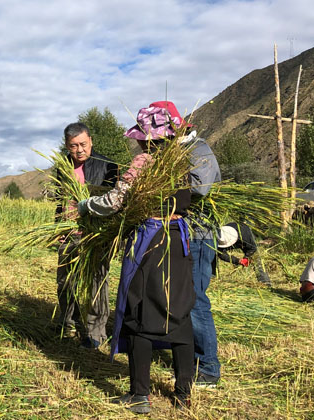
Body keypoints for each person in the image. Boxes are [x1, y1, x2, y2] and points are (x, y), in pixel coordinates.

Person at [78, 104, 195, 413]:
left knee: (140, 312)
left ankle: (140, 395)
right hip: (178, 241)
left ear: (146, 138)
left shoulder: (144, 161)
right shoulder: (181, 162)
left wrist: (87, 206)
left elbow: (115, 201)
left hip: (152, 242)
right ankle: (183, 393)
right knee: (178, 311)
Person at [152, 100, 223, 390]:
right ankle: (179, 347)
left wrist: (160, 183)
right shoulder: (175, 152)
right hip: (180, 234)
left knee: (194, 300)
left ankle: (207, 367)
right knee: (176, 296)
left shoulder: (198, 150)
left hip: (198, 235)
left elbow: (199, 188)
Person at [55, 123, 118, 348]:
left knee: (97, 282)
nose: (80, 149)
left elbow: (114, 202)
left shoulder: (107, 166)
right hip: (69, 232)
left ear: (91, 141)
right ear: (67, 146)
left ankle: (95, 333)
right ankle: (69, 323)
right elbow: (59, 200)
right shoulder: (63, 167)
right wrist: (58, 228)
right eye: (74, 146)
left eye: (83, 144)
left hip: (95, 234)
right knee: (65, 281)